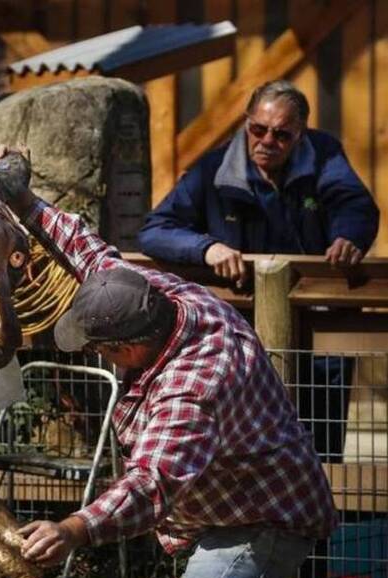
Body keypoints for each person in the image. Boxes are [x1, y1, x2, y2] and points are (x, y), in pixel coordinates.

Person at [0, 146, 337, 578]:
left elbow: (151, 484)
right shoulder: (163, 297)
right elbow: (90, 252)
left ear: (125, 348)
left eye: (101, 351)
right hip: (245, 503)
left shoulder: (190, 388)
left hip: (258, 524)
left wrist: (74, 528)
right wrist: (23, 198)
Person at [139, 80, 380, 462]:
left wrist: (347, 237)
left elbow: (356, 207)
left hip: (316, 332)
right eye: (258, 129)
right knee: (246, 441)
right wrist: (207, 248)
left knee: (321, 442)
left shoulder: (323, 156)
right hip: (239, 333)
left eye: (282, 134)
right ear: (246, 121)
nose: (268, 141)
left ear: (300, 134)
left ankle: (318, 514)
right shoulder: (213, 170)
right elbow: (155, 230)